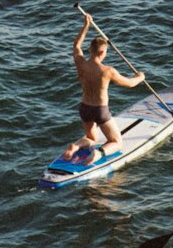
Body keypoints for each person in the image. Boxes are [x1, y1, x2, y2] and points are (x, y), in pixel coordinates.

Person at [62, 13, 147, 162]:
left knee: (91, 137)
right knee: (116, 142)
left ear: (90, 49)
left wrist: (86, 25)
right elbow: (130, 83)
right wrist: (140, 77)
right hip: (100, 110)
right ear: (102, 52)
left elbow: (76, 45)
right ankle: (98, 153)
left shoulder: (80, 62)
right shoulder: (108, 71)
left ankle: (75, 147)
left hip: (84, 108)